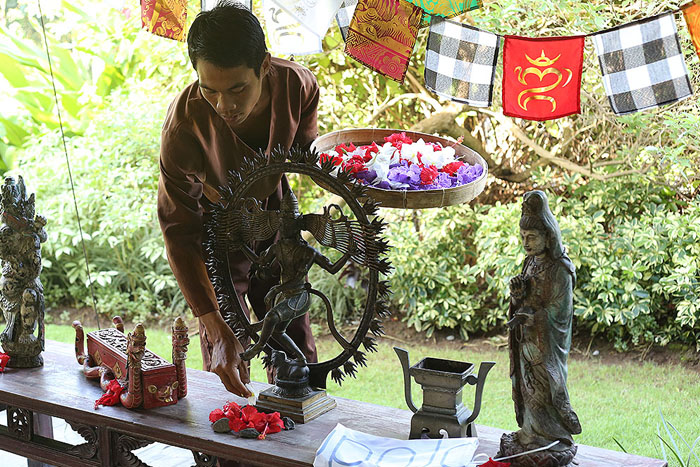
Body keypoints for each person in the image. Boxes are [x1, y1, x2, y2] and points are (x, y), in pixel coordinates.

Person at [157, 0, 319, 398]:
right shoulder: (182, 129)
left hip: (275, 217)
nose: (224, 106)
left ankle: (303, 428)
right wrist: (211, 321)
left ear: (264, 66)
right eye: (209, 90)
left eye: (237, 89)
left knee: (297, 349)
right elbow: (179, 232)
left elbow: (306, 152)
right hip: (216, 237)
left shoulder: (297, 85)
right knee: (227, 356)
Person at [499, 190, 581, 466]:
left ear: (548, 236)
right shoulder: (530, 263)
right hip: (526, 343)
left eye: (532, 237)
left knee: (544, 393)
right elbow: (521, 300)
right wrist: (517, 296)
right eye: (523, 237)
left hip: (546, 348)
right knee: (528, 390)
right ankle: (529, 434)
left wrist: (536, 317)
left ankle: (552, 438)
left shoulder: (561, 269)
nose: (526, 243)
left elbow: (561, 312)